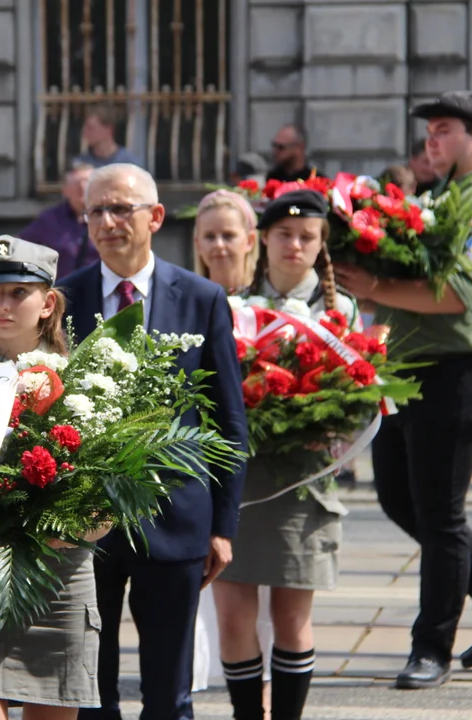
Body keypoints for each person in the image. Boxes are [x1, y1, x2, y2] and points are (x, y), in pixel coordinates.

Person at [334, 90, 472, 689]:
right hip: (409, 372)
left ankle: (433, 649)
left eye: (444, 129)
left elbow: (455, 295)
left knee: (441, 518)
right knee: (401, 500)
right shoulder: (442, 198)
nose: (431, 139)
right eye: (429, 131)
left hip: (456, 374)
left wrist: (372, 285)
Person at [62, 164, 248, 720]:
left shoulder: (201, 298)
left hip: (176, 523)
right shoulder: (61, 300)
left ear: (155, 217)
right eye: (96, 211)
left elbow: (229, 424)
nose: (108, 222)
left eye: (121, 209)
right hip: (85, 522)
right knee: (91, 692)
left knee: (169, 695)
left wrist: (223, 527)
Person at [0, 234, 108, 719]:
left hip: (59, 578)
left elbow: (105, 508)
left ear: (48, 302)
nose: (2, 305)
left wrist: (47, 530)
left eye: (17, 293)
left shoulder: (89, 383)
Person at [209, 190, 357, 720]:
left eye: (308, 237)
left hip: (302, 478)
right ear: (263, 240)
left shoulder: (342, 311)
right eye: (284, 235)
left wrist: (327, 426)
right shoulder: (228, 303)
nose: (295, 245)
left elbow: (358, 392)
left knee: (292, 614)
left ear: (321, 246)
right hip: (236, 480)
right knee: (232, 615)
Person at [188, 189, 269, 708]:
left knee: (262, 611)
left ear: (250, 241)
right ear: (196, 242)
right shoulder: (179, 303)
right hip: (202, 478)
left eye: (229, 235)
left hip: (269, 479)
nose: (219, 245)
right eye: (210, 236)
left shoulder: (272, 310)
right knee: (221, 608)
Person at [18, 162, 100, 280]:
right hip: (61, 291)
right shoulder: (50, 219)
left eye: (87, 182)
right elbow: (19, 246)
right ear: (65, 190)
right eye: (76, 183)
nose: (82, 187)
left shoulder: (110, 217)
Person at [74, 104, 141, 169]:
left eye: (90, 128)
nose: (85, 132)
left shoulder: (128, 164)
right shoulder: (81, 163)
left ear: (108, 129)